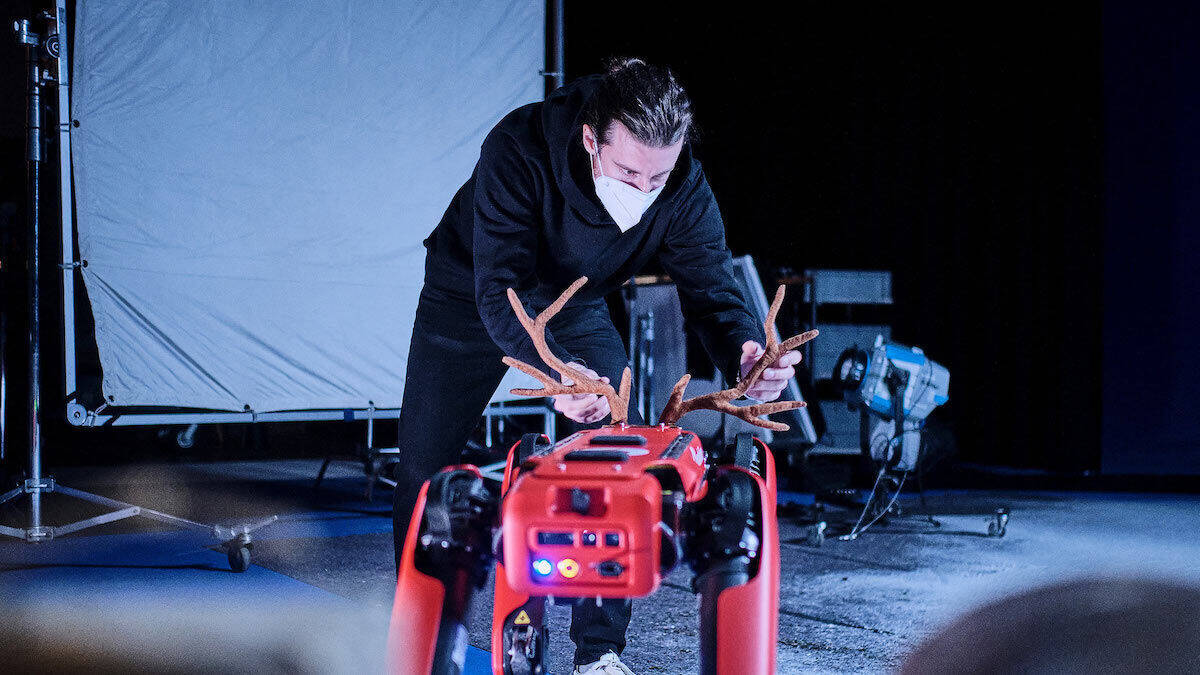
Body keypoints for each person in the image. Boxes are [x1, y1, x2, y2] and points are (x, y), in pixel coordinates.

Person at [392, 57, 802, 675]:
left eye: (657, 175)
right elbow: (500, 288)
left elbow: (715, 291)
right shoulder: (519, 147)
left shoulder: (682, 185)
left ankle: (599, 653)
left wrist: (746, 350)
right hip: (470, 293)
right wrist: (560, 378)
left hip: (575, 299)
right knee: (426, 470)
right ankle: (416, 643)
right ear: (591, 139)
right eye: (628, 170)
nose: (642, 189)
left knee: (618, 446)